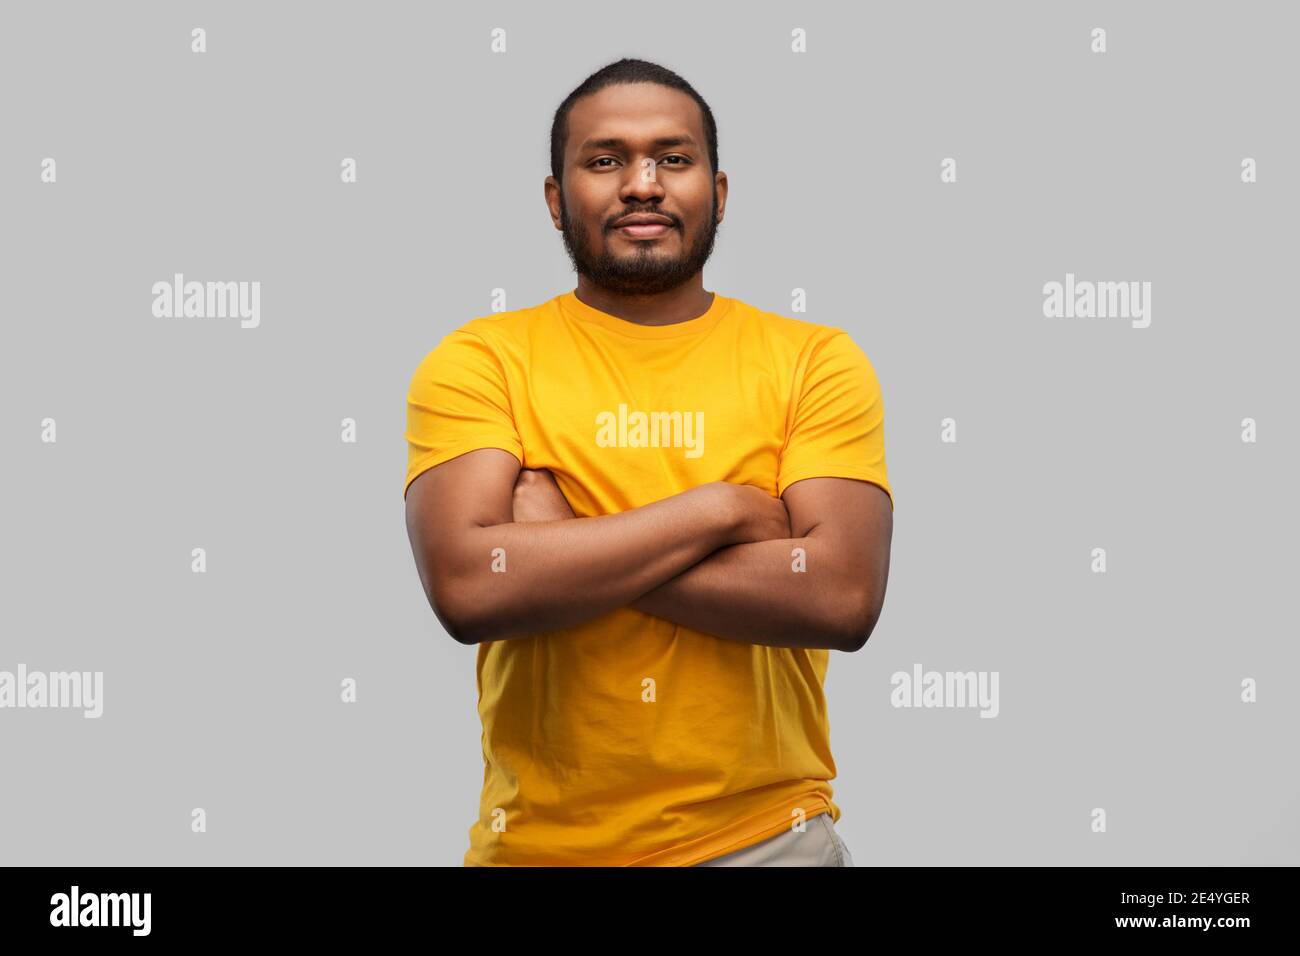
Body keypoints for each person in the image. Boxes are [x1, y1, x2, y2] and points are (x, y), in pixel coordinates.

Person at [403, 58, 893, 866]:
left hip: (768, 840)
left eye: (673, 158)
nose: (642, 184)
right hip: (535, 850)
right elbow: (468, 586)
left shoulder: (814, 360)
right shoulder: (481, 360)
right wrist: (723, 513)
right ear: (557, 200)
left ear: (719, 192)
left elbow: (840, 596)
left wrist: (565, 547)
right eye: (605, 160)